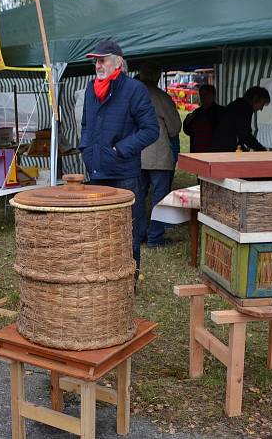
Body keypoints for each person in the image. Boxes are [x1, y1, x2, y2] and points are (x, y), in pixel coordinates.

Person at [79, 40, 158, 284]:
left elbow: (151, 130)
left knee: (127, 232)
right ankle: (103, 283)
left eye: (102, 60)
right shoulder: (91, 90)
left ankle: (128, 283)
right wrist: (87, 150)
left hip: (124, 173)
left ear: (118, 62)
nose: (97, 65)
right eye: (95, 61)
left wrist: (119, 149)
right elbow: (85, 126)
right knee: (98, 231)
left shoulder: (134, 89)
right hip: (97, 171)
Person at [136, 62, 181, 248]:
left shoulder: (131, 96)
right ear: (156, 76)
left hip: (135, 154)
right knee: (159, 198)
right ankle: (155, 237)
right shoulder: (161, 98)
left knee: (137, 197)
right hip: (158, 154)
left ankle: (138, 234)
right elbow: (175, 128)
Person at [211, 86, 270, 152]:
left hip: (221, 146)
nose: (261, 108)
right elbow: (245, 135)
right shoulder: (244, 108)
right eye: (262, 103)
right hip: (224, 148)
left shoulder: (238, 105)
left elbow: (241, 134)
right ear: (255, 98)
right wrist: (261, 149)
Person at [183, 84, 223, 153]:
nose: (203, 97)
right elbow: (188, 131)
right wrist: (187, 122)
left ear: (213, 95)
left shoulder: (221, 112)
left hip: (214, 152)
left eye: (206, 94)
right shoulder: (196, 112)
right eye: (201, 94)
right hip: (197, 152)